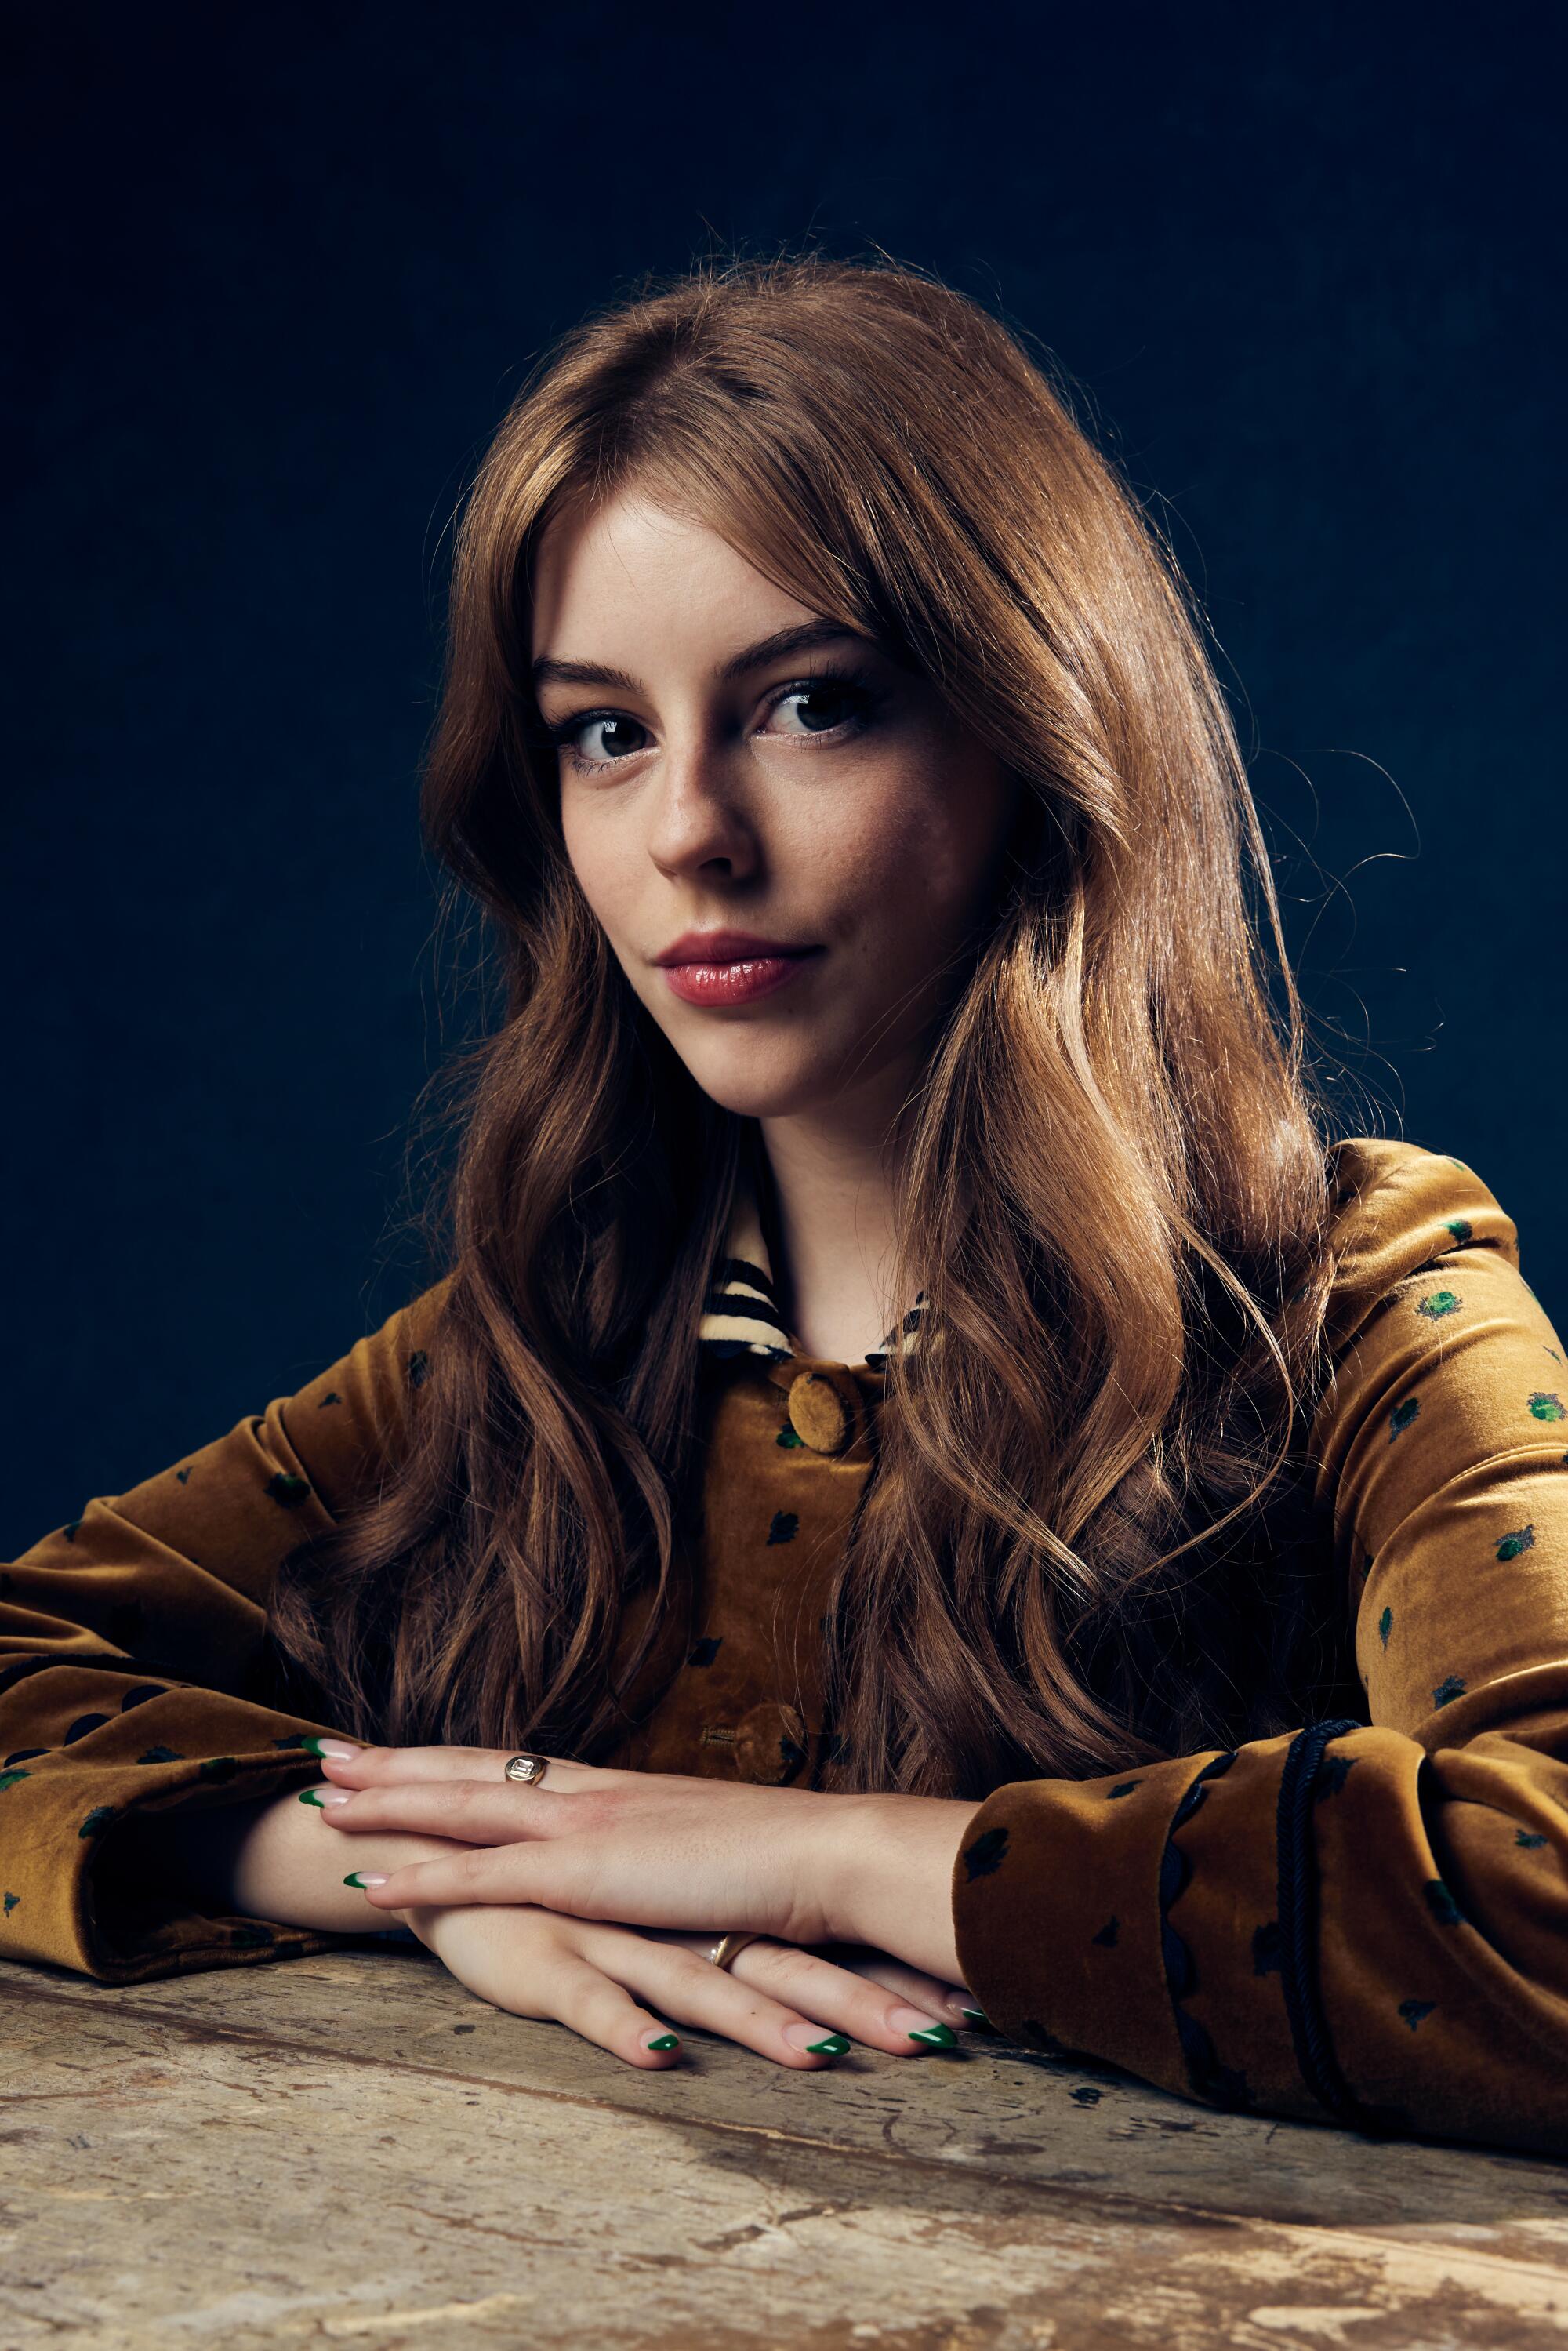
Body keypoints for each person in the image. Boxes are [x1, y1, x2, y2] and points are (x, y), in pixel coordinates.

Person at [5, 255, 1566, 2152]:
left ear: (1035, 732)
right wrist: (461, 1874)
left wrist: (828, 1858)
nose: (686, 832)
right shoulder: (531, 1345)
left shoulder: (1351, 1298)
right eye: (604, 730)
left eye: (812, 704)